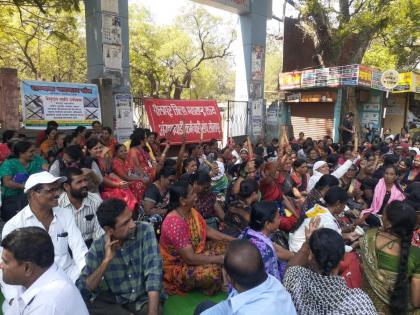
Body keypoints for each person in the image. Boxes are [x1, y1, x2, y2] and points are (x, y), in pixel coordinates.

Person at [1, 171, 88, 309]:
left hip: (69, 279)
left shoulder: (65, 214)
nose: (57, 193)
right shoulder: (14, 225)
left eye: (57, 188)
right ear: (33, 194)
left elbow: (80, 250)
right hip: (33, 286)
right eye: (51, 190)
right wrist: (14, 300)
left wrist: (83, 279)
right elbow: (6, 265)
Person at [77, 198, 165, 315]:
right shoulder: (98, 248)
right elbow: (84, 289)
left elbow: (154, 272)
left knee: (154, 308)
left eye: (131, 218)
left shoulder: (145, 230)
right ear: (109, 230)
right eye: (125, 223)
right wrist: (106, 261)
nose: (132, 225)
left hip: (143, 299)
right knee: (86, 303)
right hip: (117, 300)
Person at [159, 181, 233, 295]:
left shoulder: (190, 210)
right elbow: (189, 258)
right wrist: (219, 259)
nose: (196, 195)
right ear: (183, 201)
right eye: (193, 193)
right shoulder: (174, 223)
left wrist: (231, 239)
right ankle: (217, 278)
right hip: (178, 266)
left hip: (196, 251)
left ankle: (221, 274)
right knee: (212, 273)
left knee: (230, 247)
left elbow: (206, 229)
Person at [284, 228, 377, 314]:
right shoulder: (359, 304)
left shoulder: (295, 280)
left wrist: (307, 243)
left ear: (311, 256)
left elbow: (290, 269)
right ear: (342, 257)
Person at [1, 227, 89, 315]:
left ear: (27, 268)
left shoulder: (46, 304)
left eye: (5, 262)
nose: (1, 266)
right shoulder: (38, 277)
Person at [196, 239, 296, 315]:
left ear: (231, 281)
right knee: (205, 306)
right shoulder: (274, 282)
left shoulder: (247, 311)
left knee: (203, 308)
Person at [360, 200, 419, 314]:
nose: (381, 216)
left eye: (384, 214)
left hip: (365, 303)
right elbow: (416, 302)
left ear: (389, 224)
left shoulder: (369, 237)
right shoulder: (416, 254)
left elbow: (362, 266)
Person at [289, 186, 359, 253]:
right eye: (344, 204)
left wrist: (348, 235)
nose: (344, 208)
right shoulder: (327, 221)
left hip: (293, 242)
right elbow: (333, 247)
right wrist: (353, 246)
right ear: (338, 204)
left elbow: (333, 232)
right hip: (298, 250)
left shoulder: (319, 208)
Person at [240, 201, 293, 281]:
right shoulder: (265, 250)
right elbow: (273, 280)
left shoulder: (248, 232)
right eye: (278, 217)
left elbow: (277, 250)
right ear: (267, 224)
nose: (280, 220)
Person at [0, 141, 48, 221]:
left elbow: (46, 167)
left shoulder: (36, 159)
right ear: (21, 153)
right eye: (31, 151)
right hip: (12, 198)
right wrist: (27, 186)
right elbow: (7, 183)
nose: (34, 153)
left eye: (34, 151)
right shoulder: (9, 163)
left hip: (34, 196)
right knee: (14, 222)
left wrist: (46, 168)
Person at [85, 138, 137, 211]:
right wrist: (118, 185)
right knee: (122, 193)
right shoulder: (89, 162)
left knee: (126, 188)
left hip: (107, 183)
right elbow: (101, 180)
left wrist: (121, 182)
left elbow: (109, 173)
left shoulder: (100, 159)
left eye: (100, 147)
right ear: (89, 150)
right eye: (95, 148)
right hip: (98, 190)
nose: (99, 150)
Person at [58, 167, 104, 248]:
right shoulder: (58, 205)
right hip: (67, 248)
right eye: (79, 182)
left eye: (85, 180)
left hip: (92, 246)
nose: (84, 184)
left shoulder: (95, 200)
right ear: (66, 186)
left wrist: (94, 252)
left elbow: (100, 231)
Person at [127, 129, 156, 201]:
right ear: (141, 140)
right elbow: (135, 168)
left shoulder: (143, 149)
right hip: (139, 175)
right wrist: (144, 177)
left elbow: (149, 161)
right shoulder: (133, 150)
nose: (147, 139)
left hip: (147, 173)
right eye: (146, 137)